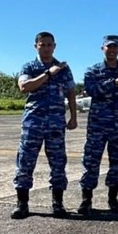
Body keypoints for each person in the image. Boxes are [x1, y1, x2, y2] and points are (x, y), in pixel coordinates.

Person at [11, 31, 77, 220]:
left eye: (49, 45)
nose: (46, 48)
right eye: (42, 45)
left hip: (56, 122)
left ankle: (58, 203)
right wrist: (48, 74)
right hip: (33, 122)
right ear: (36, 46)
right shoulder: (30, 67)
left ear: (54, 46)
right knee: (25, 162)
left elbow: (71, 93)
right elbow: (24, 87)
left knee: (58, 163)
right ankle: (22, 204)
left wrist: (73, 117)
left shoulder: (63, 68)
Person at [77, 36, 118, 218]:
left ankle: (113, 199)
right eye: (108, 47)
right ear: (102, 48)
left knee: (117, 163)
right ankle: (86, 200)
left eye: (115, 47)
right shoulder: (93, 71)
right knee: (91, 162)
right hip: (98, 126)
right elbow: (92, 91)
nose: (111, 50)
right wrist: (114, 83)